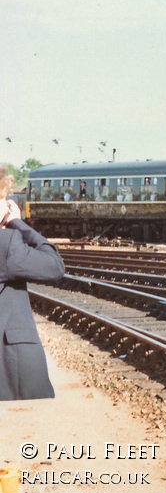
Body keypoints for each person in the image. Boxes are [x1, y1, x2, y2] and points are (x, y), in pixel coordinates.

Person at [0, 165, 65, 400]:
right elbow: (55, 266)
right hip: (11, 373)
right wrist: (17, 223)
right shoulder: (6, 245)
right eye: (4, 198)